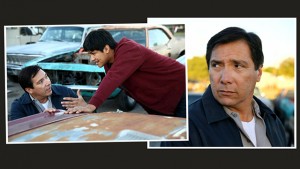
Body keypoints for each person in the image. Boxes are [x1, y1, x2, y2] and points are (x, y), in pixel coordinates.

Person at [161, 27, 287, 147]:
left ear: (258, 73)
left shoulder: (273, 121)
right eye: (216, 65)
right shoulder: (184, 129)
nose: (225, 79)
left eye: (237, 66)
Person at [63, 29, 186, 118]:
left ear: (106, 49)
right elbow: (127, 89)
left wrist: (92, 104)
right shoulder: (109, 62)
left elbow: (113, 78)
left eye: (93, 53)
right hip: (162, 101)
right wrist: (89, 106)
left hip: (181, 90)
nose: (92, 59)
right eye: (89, 55)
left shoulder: (129, 50)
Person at [10, 65, 85, 120]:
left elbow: (85, 119)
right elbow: (19, 134)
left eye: (46, 77)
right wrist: (42, 119)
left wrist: (85, 107)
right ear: (29, 90)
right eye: (41, 81)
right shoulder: (19, 107)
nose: (48, 82)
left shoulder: (65, 92)